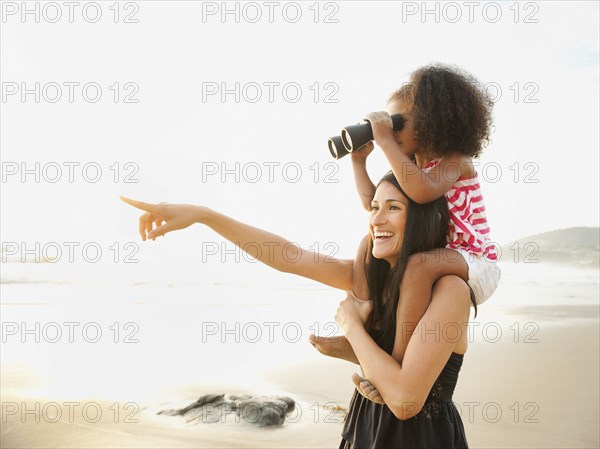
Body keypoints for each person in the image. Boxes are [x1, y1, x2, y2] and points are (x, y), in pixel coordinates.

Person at [120, 169, 475, 448]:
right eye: (374, 207)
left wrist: (351, 327)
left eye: (393, 208)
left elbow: (404, 401)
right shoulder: (375, 276)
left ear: (423, 218)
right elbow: (288, 257)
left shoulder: (450, 291)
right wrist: (205, 216)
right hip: (364, 430)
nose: (377, 219)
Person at [339, 64, 502, 403]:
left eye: (398, 122)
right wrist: (358, 163)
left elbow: (423, 192)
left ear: (433, 122)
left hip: (477, 260)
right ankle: (372, 338)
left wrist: (385, 140)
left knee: (417, 267)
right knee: (369, 246)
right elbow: (376, 202)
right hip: (447, 256)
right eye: (388, 121)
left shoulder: (456, 161)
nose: (391, 129)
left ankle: (395, 361)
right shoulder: (409, 165)